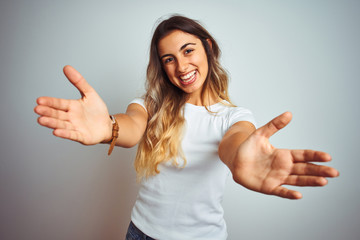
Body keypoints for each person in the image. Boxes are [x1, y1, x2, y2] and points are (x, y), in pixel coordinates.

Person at [34, 15, 339, 240]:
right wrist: (108, 127)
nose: (181, 66)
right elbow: (132, 127)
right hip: (140, 233)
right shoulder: (150, 105)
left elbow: (233, 143)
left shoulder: (233, 117)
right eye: (169, 59)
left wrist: (240, 160)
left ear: (207, 47)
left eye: (188, 50)